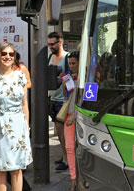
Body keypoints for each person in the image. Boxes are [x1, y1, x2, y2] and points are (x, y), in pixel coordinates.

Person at [0, 43, 32, 191]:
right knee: (0, 168)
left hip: (19, 127)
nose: (7, 57)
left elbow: (25, 105)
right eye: (4, 53)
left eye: (11, 54)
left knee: (17, 169)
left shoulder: (21, 76)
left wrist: (26, 128)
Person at [47, 32, 69, 170]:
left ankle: (67, 160)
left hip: (63, 100)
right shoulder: (50, 57)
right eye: (49, 44)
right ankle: (64, 155)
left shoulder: (67, 58)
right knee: (60, 132)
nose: (50, 46)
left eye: (52, 44)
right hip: (53, 99)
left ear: (60, 42)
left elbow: (70, 77)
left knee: (63, 132)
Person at [62, 51, 80, 191]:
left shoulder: (90, 77)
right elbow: (66, 99)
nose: (71, 66)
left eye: (74, 63)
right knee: (69, 147)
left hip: (81, 117)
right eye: (70, 64)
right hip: (69, 115)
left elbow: (90, 99)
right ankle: (73, 178)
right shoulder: (69, 77)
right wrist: (65, 85)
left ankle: (80, 177)